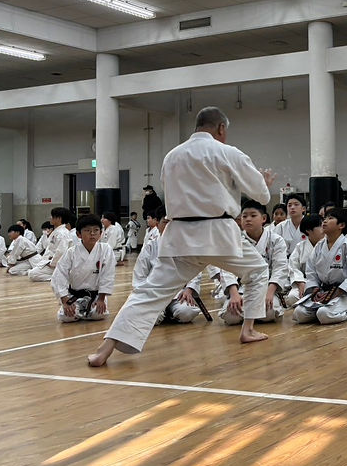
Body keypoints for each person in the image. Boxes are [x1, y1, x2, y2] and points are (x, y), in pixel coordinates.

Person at [89, 107, 274, 366]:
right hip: (218, 235)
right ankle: (248, 330)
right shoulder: (228, 152)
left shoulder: (172, 156)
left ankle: (105, 348)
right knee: (258, 271)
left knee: (149, 291)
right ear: (221, 128)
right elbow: (261, 195)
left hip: (180, 236)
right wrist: (264, 182)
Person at [293, 207, 347, 325]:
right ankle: (321, 311)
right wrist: (315, 290)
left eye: (330, 218)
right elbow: (311, 271)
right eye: (325, 218)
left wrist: (338, 291)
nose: (325, 221)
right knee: (299, 313)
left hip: (342, 293)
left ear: (341, 225)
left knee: (324, 314)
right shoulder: (319, 246)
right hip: (322, 292)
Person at [51, 214, 115, 323]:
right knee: (66, 317)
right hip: (74, 295)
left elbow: (108, 275)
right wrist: (65, 299)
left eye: (96, 230)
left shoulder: (105, 249)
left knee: (99, 314)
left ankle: (86, 311)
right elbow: (59, 274)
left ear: (100, 233)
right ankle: (82, 311)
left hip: (96, 295)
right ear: (78, 234)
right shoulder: (71, 252)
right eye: (87, 230)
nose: (92, 233)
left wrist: (101, 299)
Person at [239, 200, 289, 323]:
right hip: (242, 289)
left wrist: (270, 293)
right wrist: (234, 293)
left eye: (253, 215)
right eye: (244, 216)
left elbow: (280, 268)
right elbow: (227, 271)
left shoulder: (276, 240)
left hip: (267, 288)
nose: (248, 219)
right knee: (231, 316)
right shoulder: (236, 240)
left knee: (269, 313)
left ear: (264, 218)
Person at [28, 208, 75, 282]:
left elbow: (61, 251)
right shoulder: (57, 231)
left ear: (59, 219)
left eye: (52, 216)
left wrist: (52, 263)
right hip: (49, 260)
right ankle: (59, 276)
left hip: (57, 263)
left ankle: (61, 277)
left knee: (32, 274)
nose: (50, 218)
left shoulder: (63, 233)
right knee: (33, 270)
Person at [288, 214, 323, 305]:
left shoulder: (328, 245)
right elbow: (293, 267)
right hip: (305, 281)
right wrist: (301, 283)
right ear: (308, 230)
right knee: (292, 297)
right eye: (320, 226)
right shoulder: (300, 247)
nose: (323, 229)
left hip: (324, 283)